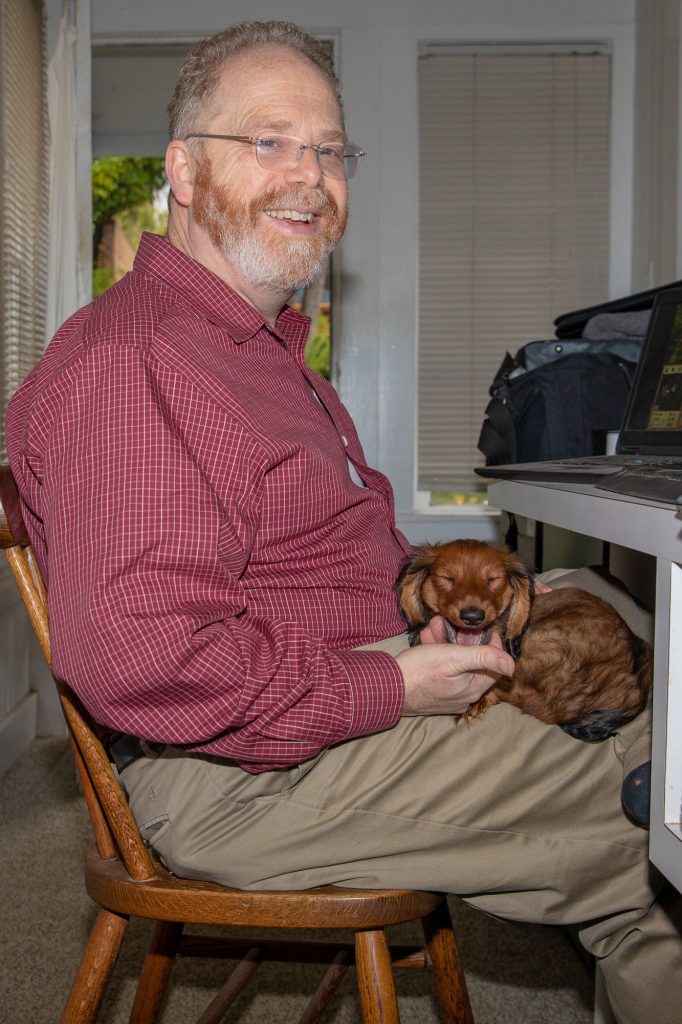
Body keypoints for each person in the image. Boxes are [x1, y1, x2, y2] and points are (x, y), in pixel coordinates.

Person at [5, 20, 680, 1024]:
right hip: (234, 774)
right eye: (268, 141)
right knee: (660, 797)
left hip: (316, 688)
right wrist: (394, 683)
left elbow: (335, 556)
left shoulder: (265, 352)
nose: (310, 176)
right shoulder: (140, 361)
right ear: (183, 171)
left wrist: (447, 617)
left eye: (329, 150)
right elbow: (142, 656)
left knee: (617, 621)